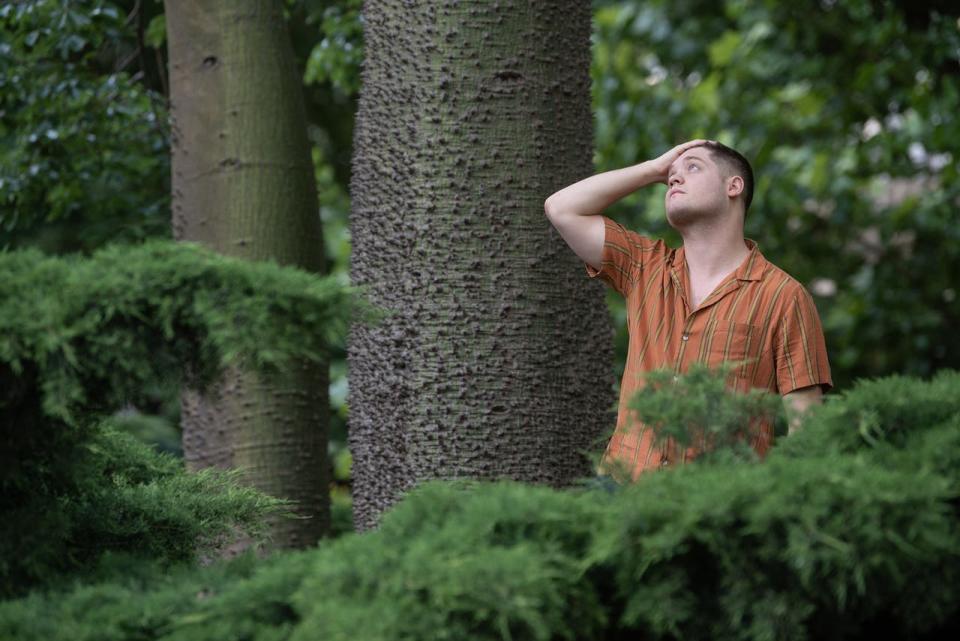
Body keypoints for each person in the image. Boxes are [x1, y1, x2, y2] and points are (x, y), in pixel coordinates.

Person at [544, 140, 832, 481]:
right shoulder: (644, 267)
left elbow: (807, 429)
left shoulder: (784, 296)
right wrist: (653, 168)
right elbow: (562, 208)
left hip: (717, 507)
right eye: (670, 177)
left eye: (693, 167)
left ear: (734, 186)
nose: (674, 178)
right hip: (622, 497)